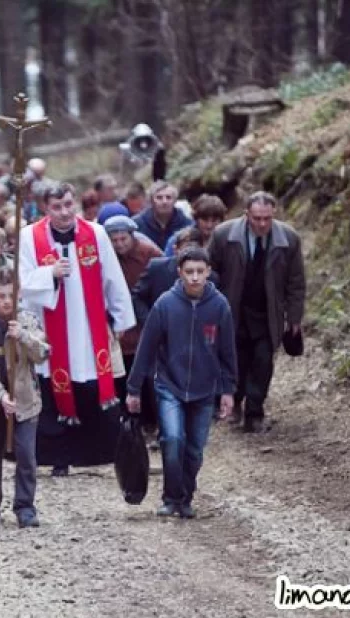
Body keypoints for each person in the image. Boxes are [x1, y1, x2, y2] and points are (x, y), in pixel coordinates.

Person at [18, 182, 135, 476]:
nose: (64, 212)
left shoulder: (94, 233)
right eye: (57, 207)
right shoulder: (30, 237)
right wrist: (50, 274)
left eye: (69, 205)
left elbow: (112, 275)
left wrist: (121, 318)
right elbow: (23, 281)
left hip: (87, 325)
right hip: (49, 325)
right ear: (46, 208)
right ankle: (59, 456)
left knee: (91, 382)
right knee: (53, 387)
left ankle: (99, 452)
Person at [126, 247, 237, 519]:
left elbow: (227, 351)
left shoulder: (219, 305)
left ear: (209, 272)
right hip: (169, 384)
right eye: (189, 272)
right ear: (180, 273)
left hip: (204, 387)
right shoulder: (165, 304)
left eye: (200, 272)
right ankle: (171, 497)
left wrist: (228, 390)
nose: (195, 278)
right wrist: (134, 387)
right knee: (173, 438)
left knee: (195, 449)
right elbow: (147, 347)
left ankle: (186, 496)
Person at [208, 191, 306, 433]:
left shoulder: (289, 239)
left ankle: (255, 411)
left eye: (267, 218)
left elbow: (296, 281)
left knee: (263, 361)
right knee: (237, 359)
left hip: (268, 311)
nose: (262, 224)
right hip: (234, 308)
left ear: (274, 215)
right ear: (246, 215)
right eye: (257, 218)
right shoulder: (223, 235)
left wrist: (294, 317)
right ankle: (236, 402)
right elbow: (210, 272)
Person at [0, 267, 50, 528]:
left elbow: (43, 353)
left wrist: (23, 337)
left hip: (24, 402)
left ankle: (25, 506)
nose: (6, 301)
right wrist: (0, 395)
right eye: (1, 295)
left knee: (26, 455)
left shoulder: (27, 321)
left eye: (11, 295)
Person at [103, 214, 162, 424]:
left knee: (147, 372)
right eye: (114, 240)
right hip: (118, 320)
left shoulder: (150, 253)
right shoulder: (105, 255)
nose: (119, 245)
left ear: (132, 236)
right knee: (123, 369)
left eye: (123, 239)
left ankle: (151, 419)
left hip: (144, 317)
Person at [132, 227, 208, 326]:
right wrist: (150, 322)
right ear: (176, 249)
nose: (190, 254)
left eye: (195, 249)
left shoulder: (209, 275)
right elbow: (137, 297)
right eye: (186, 249)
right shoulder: (157, 268)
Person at [133, 181, 193, 251]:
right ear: (151, 201)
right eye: (159, 198)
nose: (164, 202)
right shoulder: (136, 224)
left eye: (168, 197)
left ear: (175, 200)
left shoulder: (187, 224)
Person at [163, 194, 227, 255]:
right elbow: (166, 264)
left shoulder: (228, 241)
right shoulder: (177, 240)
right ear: (196, 219)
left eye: (214, 221)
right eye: (204, 220)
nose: (209, 225)